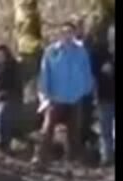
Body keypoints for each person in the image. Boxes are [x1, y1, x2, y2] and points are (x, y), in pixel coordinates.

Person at [34, 21, 93, 165]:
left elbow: (86, 72)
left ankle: (72, 160)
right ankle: (40, 157)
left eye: (70, 32)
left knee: (74, 130)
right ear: (60, 34)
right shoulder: (51, 51)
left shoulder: (81, 52)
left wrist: (85, 88)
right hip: (56, 97)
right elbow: (44, 74)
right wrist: (45, 95)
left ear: (74, 34)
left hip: (75, 97)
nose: (67, 35)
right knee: (47, 128)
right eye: (64, 32)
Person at [90, 24, 114, 166]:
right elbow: (92, 74)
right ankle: (107, 157)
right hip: (104, 96)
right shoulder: (99, 52)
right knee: (105, 129)